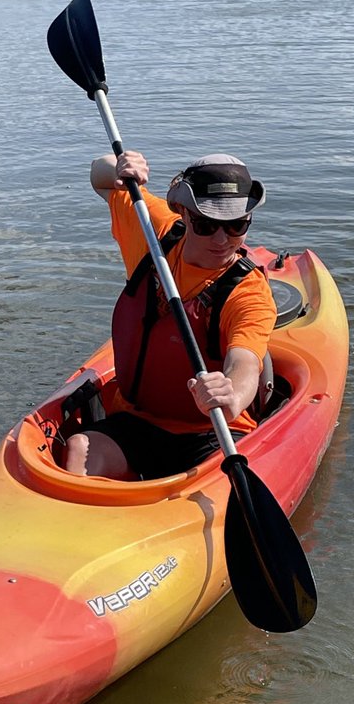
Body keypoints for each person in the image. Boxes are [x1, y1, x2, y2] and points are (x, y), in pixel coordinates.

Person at [64, 150, 277, 480]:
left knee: (221, 479)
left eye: (236, 225)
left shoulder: (250, 293)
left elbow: (246, 361)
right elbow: (99, 176)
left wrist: (230, 395)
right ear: (183, 212)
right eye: (206, 224)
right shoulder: (153, 233)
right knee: (79, 447)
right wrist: (118, 166)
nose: (222, 240)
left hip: (213, 433)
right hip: (136, 420)